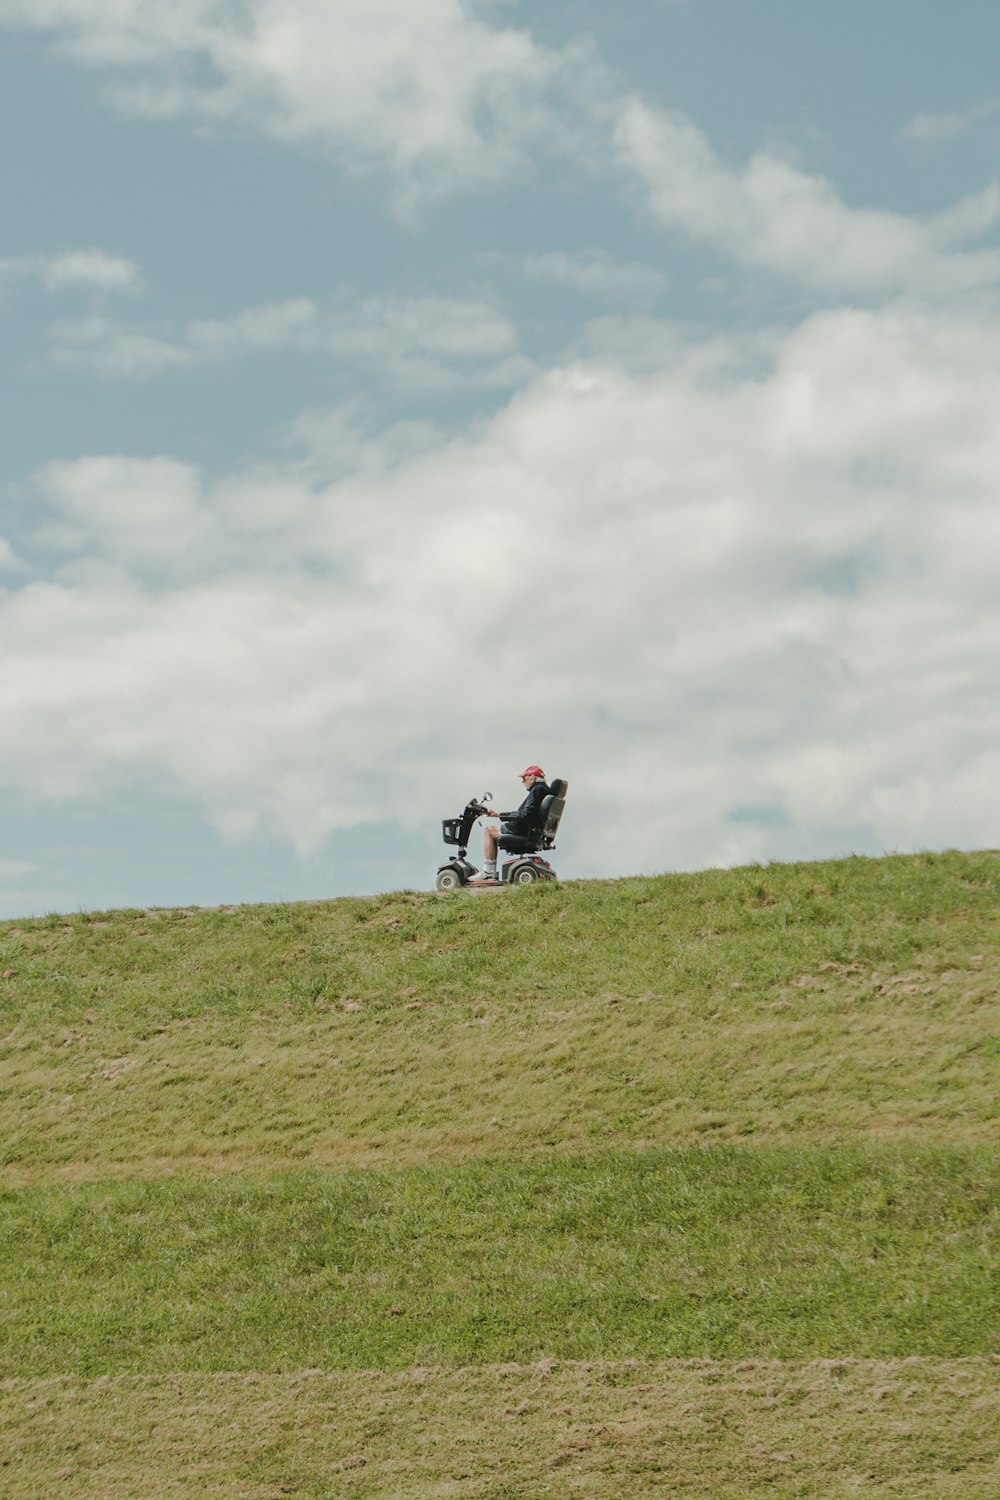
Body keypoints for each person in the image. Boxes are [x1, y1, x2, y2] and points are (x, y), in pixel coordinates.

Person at [472, 765, 551, 883]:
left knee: (489, 831)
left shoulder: (537, 790)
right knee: (492, 830)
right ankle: (489, 872)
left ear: (532, 778)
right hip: (532, 830)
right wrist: (499, 814)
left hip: (524, 830)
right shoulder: (545, 791)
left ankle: (488, 872)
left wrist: (500, 815)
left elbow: (525, 815)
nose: (523, 781)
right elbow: (526, 813)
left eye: (524, 778)